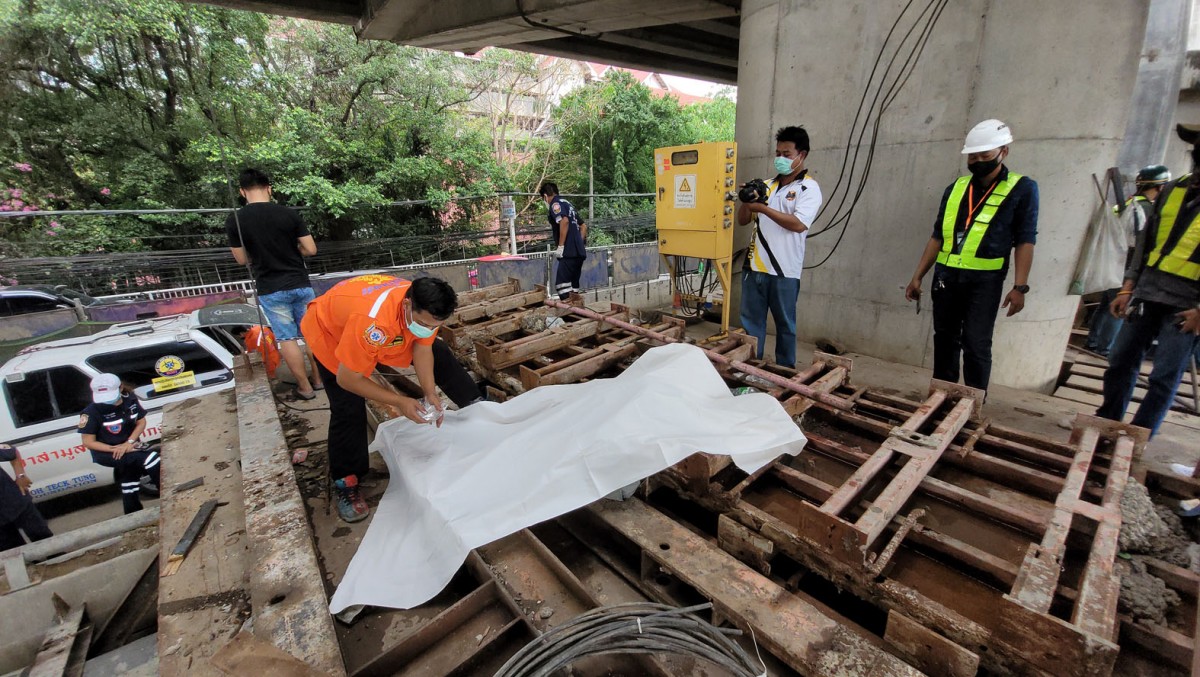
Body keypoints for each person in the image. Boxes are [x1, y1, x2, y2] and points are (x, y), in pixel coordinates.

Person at [300, 274, 484, 523]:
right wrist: (399, 401)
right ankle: (347, 481)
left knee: (439, 350)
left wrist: (429, 392)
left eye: (434, 325)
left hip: (376, 325)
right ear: (407, 304)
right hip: (331, 331)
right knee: (348, 405)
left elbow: (423, 346)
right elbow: (348, 378)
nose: (428, 329)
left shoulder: (425, 307)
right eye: (424, 323)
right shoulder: (372, 322)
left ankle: (477, 410)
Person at [905, 119, 1039, 392]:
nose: (978, 161)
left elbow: (1025, 240)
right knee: (944, 339)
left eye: (985, 156)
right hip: (946, 277)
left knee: (976, 343)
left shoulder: (1022, 188)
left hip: (984, 281)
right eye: (973, 156)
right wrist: (917, 276)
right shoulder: (956, 189)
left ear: (1004, 152)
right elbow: (937, 236)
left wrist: (1020, 286)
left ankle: (973, 402)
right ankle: (941, 396)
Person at [1097, 124, 1200, 437]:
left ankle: (1138, 437)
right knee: (1120, 362)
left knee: (1164, 376)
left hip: (1186, 306)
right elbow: (1145, 244)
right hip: (1146, 293)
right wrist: (1128, 287)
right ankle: (1107, 423)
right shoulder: (1173, 190)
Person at [227, 168, 324, 400]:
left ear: (242, 192)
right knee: (312, 334)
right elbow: (311, 249)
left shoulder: (235, 220)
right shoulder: (288, 214)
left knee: (287, 338)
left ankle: (305, 387)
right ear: (269, 188)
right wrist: (293, 250)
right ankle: (320, 380)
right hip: (300, 283)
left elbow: (241, 259)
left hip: (271, 288)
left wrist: (259, 255)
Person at [737, 125, 823, 368]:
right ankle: (749, 371)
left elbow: (798, 224)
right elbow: (743, 220)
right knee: (751, 327)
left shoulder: (808, 188)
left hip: (785, 271)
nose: (781, 159)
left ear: (801, 155)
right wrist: (747, 201)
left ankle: (785, 373)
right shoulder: (766, 186)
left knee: (785, 327)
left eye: (787, 155)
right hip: (754, 269)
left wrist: (762, 208)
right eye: (778, 154)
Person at [1086, 165, 1171, 356]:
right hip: (1129, 264)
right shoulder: (1149, 210)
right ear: (1160, 187)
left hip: (1113, 261)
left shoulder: (1126, 204)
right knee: (1119, 307)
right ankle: (1104, 349)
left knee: (1106, 305)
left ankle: (1092, 342)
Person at [78, 374, 161, 514]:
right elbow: (88, 442)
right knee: (152, 459)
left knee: (130, 479)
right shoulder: (90, 413)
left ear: (120, 388)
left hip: (130, 446)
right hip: (108, 452)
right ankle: (169, 493)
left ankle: (133, 513)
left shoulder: (130, 400)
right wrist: (115, 448)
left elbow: (141, 422)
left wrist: (129, 442)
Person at [539, 183, 588, 303]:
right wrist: (579, 243)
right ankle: (578, 312)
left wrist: (561, 246)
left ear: (545, 196)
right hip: (579, 253)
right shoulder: (568, 204)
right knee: (573, 287)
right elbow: (583, 227)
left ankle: (571, 314)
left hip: (568, 252)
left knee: (562, 286)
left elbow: (564, 221)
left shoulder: (555, 204)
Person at [0, 443, 52, 551]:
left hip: (14, 500)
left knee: (42, 536)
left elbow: (12, 452)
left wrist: (20, 475)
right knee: (12, 551)